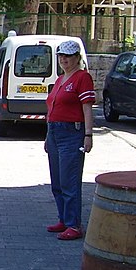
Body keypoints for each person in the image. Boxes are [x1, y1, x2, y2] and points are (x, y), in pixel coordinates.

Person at [45, 40, 95, 241]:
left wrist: (88, 135)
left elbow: (87, 108)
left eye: (68, 56)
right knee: (57, 181)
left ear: (77, 58)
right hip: (55, 132)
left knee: (69, 181)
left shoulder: (83, 78)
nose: (64, 59)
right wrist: (48, 136)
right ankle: (64, 219)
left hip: (72, 133)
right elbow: (51, 108)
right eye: (61, 56)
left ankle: (74, 224)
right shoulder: (60, 79)